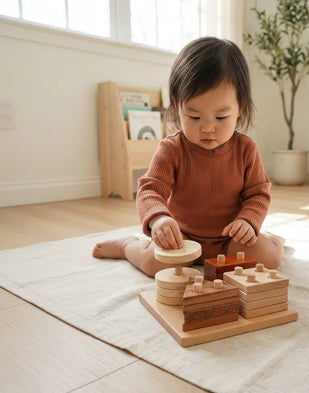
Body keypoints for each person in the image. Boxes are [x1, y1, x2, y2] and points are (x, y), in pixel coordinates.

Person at [93, 37, 284, 277]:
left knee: (269, 259)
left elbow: (258, 193)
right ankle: (128, 246)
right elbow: (150, 190)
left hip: (230, 238)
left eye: (221, 117)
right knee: (156, 265)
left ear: (240, 108)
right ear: (176, 105)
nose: (207, 128)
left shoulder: (246, 149)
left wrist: (248, 221)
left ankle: (274, 241)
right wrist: (159, 219)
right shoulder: (172, 149)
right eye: (194, 116)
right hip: (182, 237)